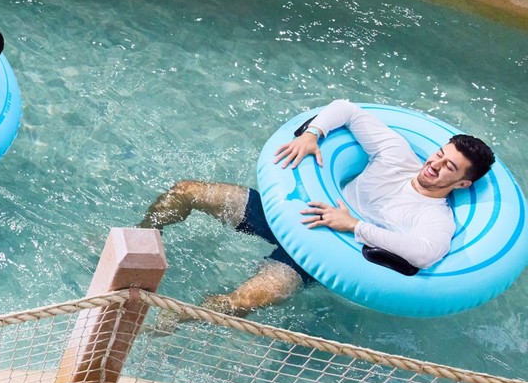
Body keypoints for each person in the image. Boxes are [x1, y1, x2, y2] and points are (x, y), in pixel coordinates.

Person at [142, 99, 496, 317]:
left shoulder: (435, 217)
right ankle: (140, 243)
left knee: (238, 302)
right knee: (185, 191)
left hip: (320, 257)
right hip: (294, 212)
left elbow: (425, 253)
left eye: (449, 167)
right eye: (439, 154)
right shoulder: (397, 155)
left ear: (463, 183)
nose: (435, 165)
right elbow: (347, 109)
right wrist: (312, 133)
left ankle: (171, 321)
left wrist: (353, 225)